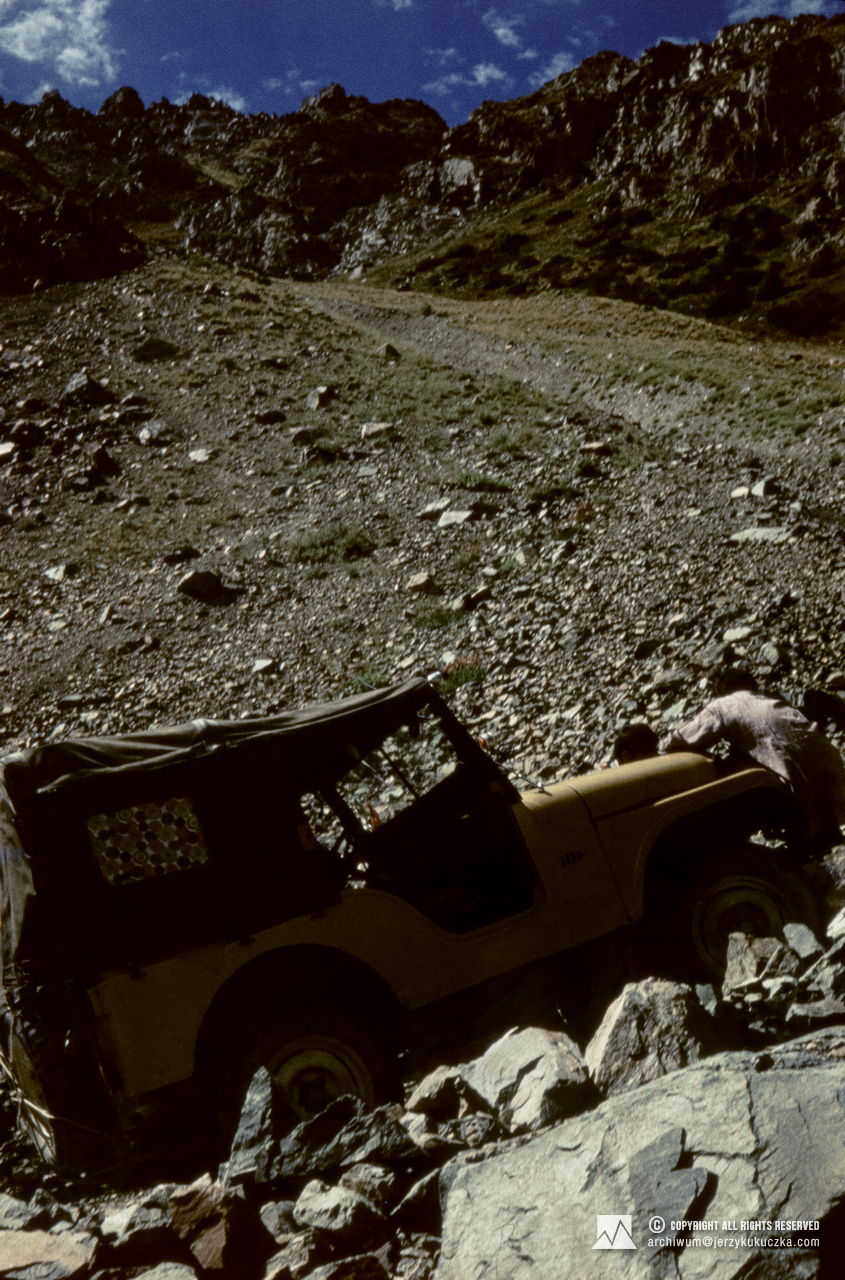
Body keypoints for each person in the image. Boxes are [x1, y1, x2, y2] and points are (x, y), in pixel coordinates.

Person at [661, 669, 845, 855]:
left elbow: (687, 737)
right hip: (832, 767)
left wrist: (662, 745)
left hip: (797, 776)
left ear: (722, 689)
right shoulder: (771, 702)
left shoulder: (723, 705)